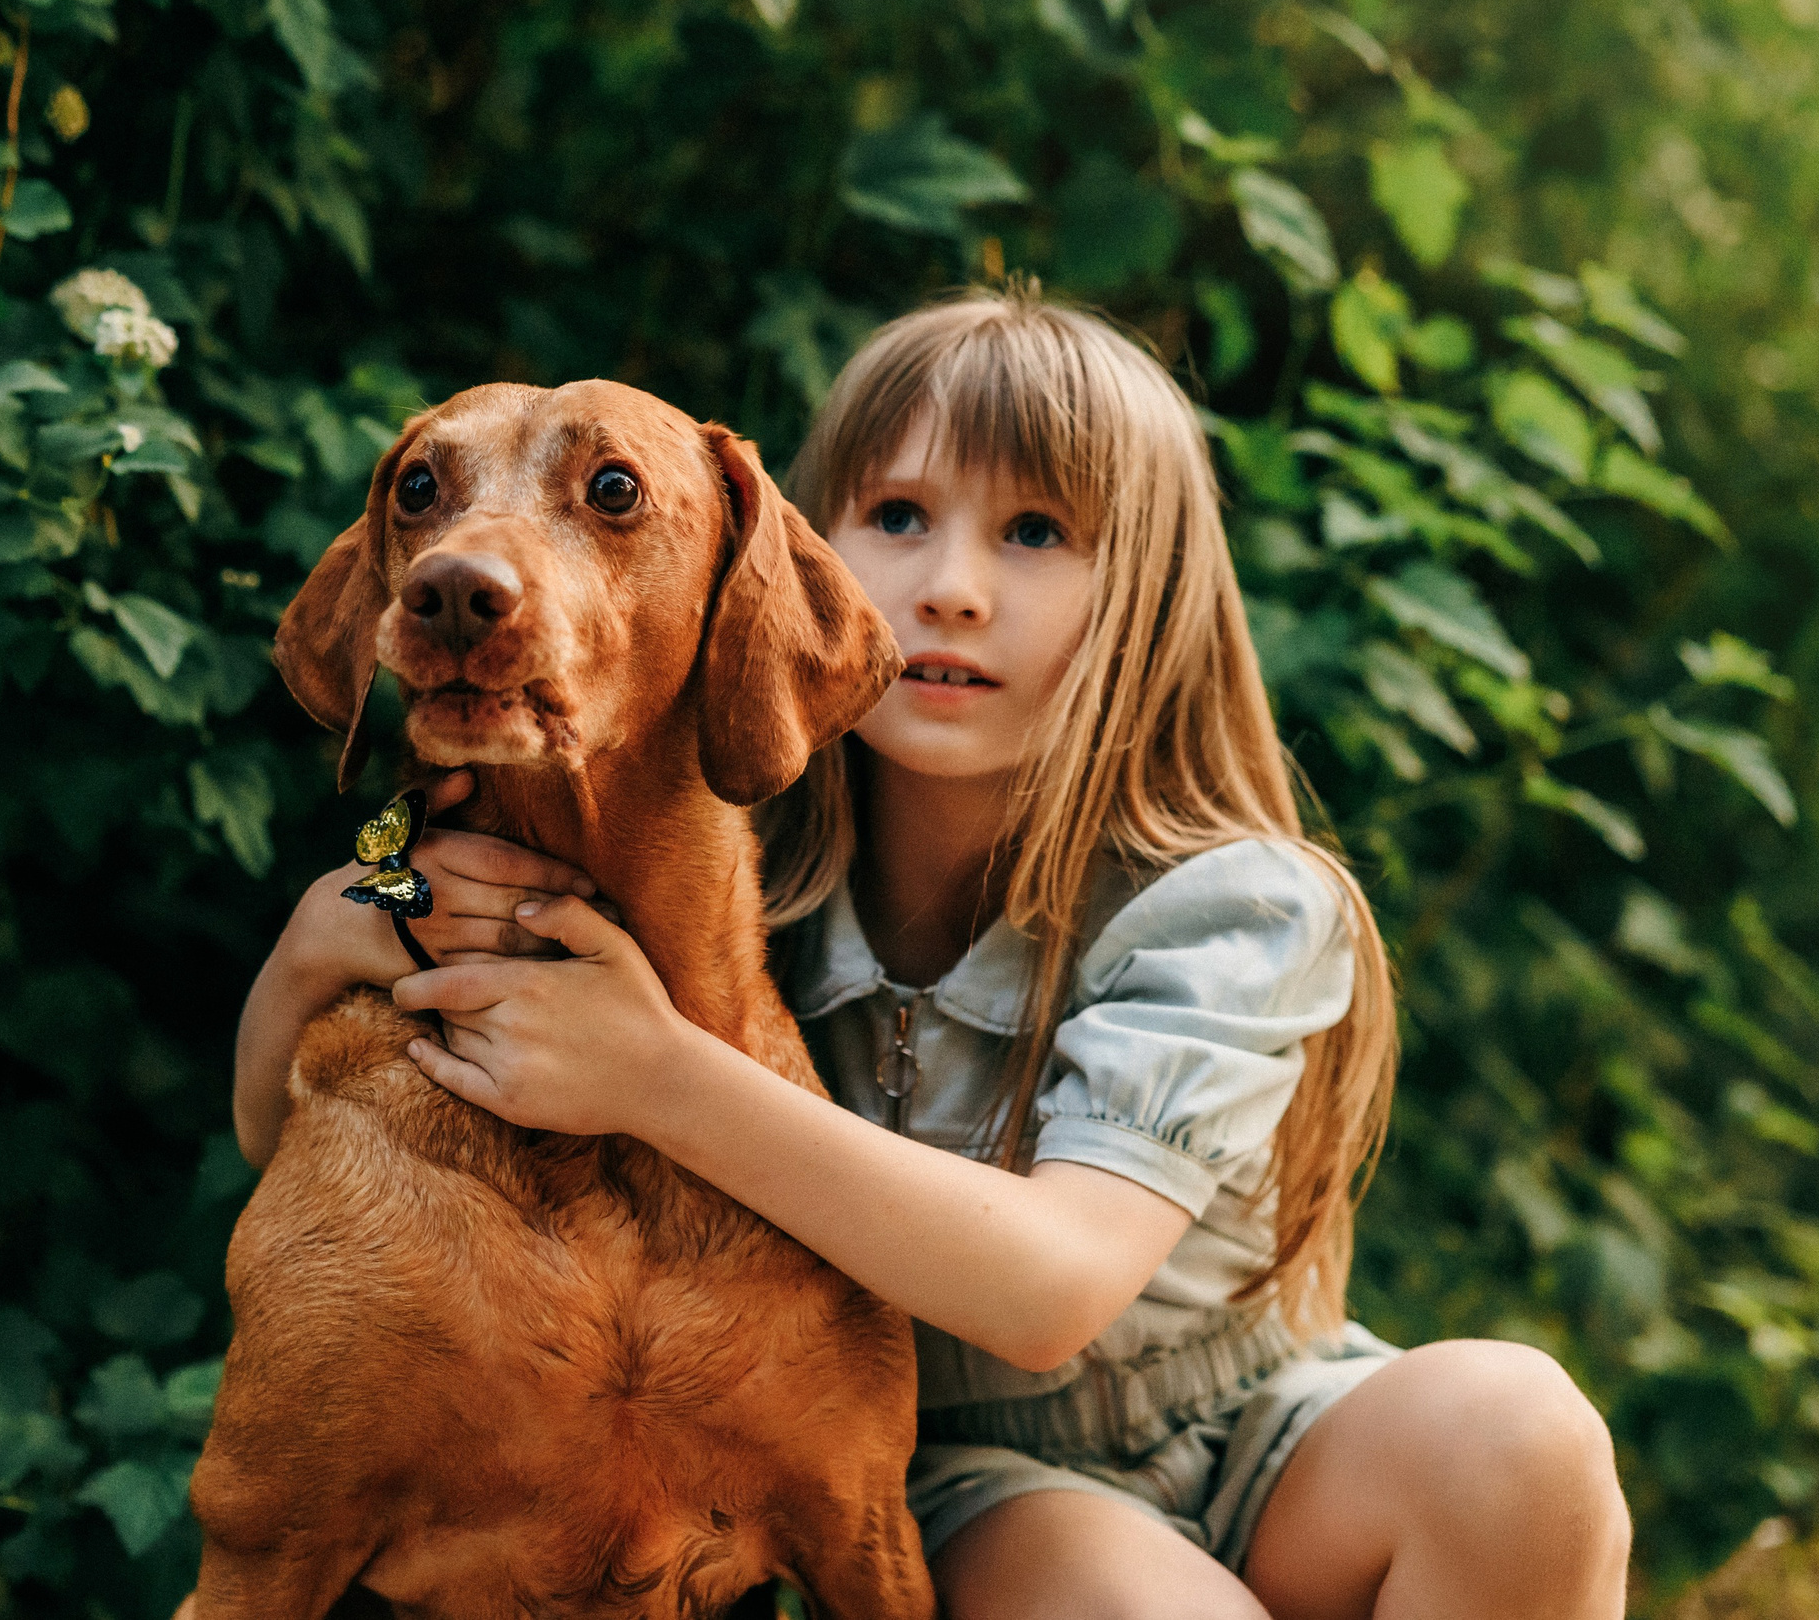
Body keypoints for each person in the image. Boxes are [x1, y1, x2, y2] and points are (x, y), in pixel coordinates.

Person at [231, 286, 1632, 1620]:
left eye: (1035, 534)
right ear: (788, 562)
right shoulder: (725, 890)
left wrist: (655, 1073)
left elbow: (1047, 1292)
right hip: (984, 1481)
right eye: (899, 517)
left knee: (1525, 1433)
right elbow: (291, 1147)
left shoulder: (1238, 903)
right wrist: (314, 946)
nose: (954, 587)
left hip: (1269, 1431)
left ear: (1142, 601)